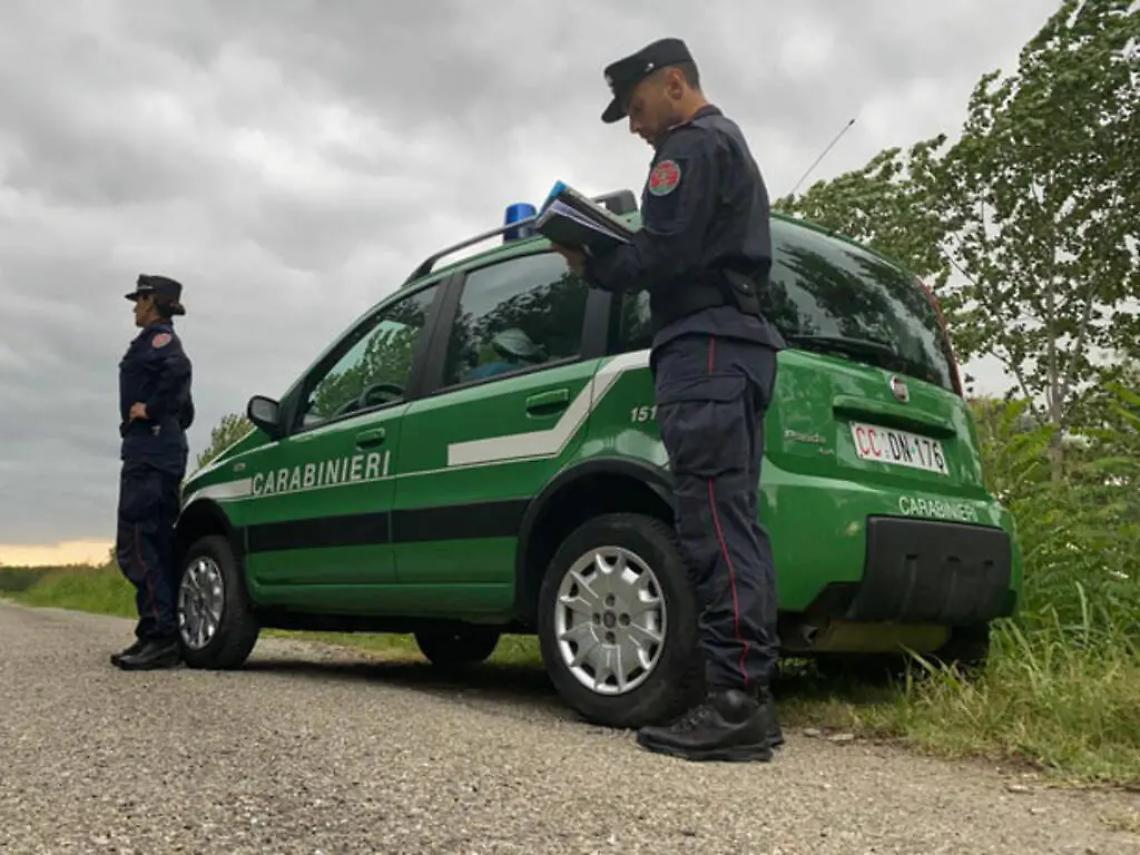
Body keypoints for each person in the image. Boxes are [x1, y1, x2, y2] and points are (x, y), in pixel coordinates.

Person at [553, 37, 786, 762]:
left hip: (706, 346)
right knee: (734, 522)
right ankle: (747, 696)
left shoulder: (691, 146)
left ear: (675, 84)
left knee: (711, 523)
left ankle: (736, 702)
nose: (635, 125)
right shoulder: (730, 144)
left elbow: (662, 254)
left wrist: (591, 260)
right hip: (736, 344)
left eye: (637, 106)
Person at [112, 274, 194, 671]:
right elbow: (188, 407)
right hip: (154, 450)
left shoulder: (161, 340)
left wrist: (154, 410)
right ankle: (152, 631)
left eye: (139, 299)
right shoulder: (153, 342)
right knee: (149, 540)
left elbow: (178, 372)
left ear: (152, 302)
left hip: (152, 453)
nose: (134, 307)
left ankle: (162, 635)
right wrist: (172, 415)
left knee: (140, 540)